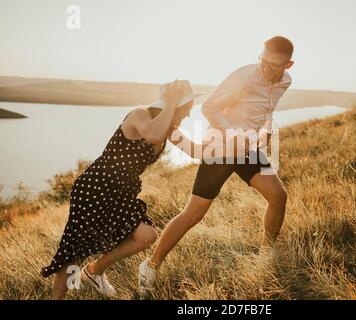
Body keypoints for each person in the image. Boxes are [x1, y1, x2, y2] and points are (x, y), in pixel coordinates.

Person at [138, 36, 295, 296]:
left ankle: (267, 254)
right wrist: (235, 135)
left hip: (248, 149)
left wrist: (265, 132)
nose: (266, 69)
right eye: (263, 61)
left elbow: (267, 111)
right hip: (222, 146)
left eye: (274, 65)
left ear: (288, 65)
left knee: (278, 196)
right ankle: (151, 265)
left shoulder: (285, 82)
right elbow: (210, 108)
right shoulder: (243, 77)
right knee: (194, 214)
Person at [41, 80, 203, 299]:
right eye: (185, 110)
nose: (187, 116)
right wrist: (172, 103)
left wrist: (236, 146)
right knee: (76, 252)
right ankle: (58, 297)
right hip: (96, 188)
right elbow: (152, 135)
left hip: (121, 192)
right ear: (172, 105)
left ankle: (94, 270)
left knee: (146, 235)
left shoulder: (168, 129)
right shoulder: (140, 115)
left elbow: (195, 151)